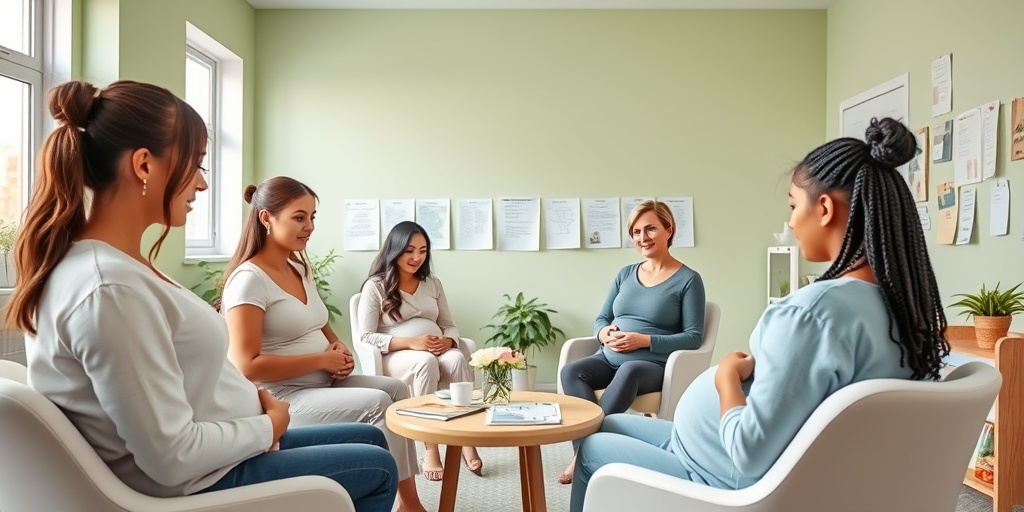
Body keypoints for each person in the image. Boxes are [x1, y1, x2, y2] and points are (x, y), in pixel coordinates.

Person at [3, 81, 398, 511]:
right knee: (377, 468)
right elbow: (172, 456)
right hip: (198, 481)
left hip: (224, 448)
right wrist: (268, 426)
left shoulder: (112, 268)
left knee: (371, 436)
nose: (202, 185)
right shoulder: (108, 289)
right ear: (143, 166)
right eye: (196, 164)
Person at [568, 117, 950, 512]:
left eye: (792, 205)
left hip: (722, 475)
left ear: (822, 209)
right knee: (607, 423)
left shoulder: (812, 313)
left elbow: (749, 451)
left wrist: (726, 378)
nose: (790, 222)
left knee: (593, 446)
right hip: (709, 449)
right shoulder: (901, 311)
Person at [219, 177, 425, 511]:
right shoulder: (249, 280)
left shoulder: (297, 267)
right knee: (377, 402)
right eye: (299, 217)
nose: (309, 226)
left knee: (397, 389)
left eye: (313, 217)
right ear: (266, 219)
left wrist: (337, 346)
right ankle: (394, 497)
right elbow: (246, 365)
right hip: (282, 395)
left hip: (322, 380)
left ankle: (409, 503)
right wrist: (320, 361)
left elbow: (318, 319)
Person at [558, 199, 706, 484]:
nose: (642, 238)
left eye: (650, 229)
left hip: (650, 364)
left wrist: (644, 341)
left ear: (669, 229)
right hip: (608, 356)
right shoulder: (625, 274)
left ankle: (581, 458)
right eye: (636, 232)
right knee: (571, 371)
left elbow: (693, 337)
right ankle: (584, 451)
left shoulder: (688, 280)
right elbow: (601, 318)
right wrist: (604, 334)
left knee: (629, 371)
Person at [356, 221, 483, 481]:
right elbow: (365, 336)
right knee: (425, 362)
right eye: (409, 250)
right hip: (396, 356)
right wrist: (412, 343)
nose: (417, 257)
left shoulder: (432, 284)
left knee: (457, 358)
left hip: (436, 349)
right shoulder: (376, 286)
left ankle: (466, 438)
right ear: (395, 250)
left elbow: (449, 324)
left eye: (423, 251)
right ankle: (430, 446)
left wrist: (449, 342)